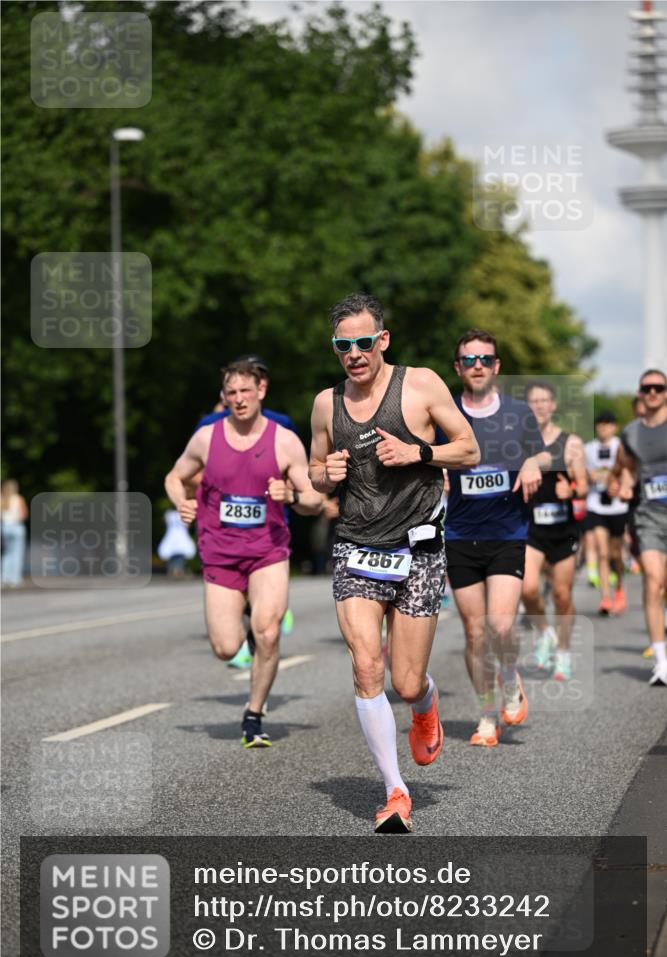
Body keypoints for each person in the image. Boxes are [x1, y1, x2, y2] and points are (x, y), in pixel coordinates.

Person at [309, 293, 479, 833]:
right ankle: (395, 791)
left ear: (382, 340)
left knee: (405, 682)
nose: (354, 354)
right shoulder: (325, 404)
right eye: (343, 345)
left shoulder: (422, 384)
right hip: (357, 544)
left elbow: (469, 450)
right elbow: (314, 472)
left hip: (419, 547)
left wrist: (418, 453)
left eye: (364, 342)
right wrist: (325, 471)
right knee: (366, 666)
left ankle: (424, 703)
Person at [166, 360, 322, 745]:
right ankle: (248, 622)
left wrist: (294, 496)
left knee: (268, 632)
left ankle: (253, 714)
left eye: (245, 392)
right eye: (231, 393)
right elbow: (175, 476)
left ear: (261, 391)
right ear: (224, 397)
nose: (238, 399)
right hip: (220, 552)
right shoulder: (206, 437)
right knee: (225, 648)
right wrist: (181, 503)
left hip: (268, 550)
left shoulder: (284, 440)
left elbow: (315, 500)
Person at [443, 333, 549, 747]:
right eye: (468, 358)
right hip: (460, 533)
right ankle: (487, 715)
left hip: (508, 531)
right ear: (458, 367)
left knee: (501, 627)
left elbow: (541, 452)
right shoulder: (447, 412)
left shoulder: (519, 412)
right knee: (474, 633)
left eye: (485, 358)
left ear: (497, 366)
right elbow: (430, 452)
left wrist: (530, 462)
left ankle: (509, 680)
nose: (477, 364)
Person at [521, 381, 588, 681]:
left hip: (563, 530)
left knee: (562, 595)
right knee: (528, 588)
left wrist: (570, 489)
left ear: (553, 405)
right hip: (531, 528)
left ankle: (562, 651)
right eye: (533, 401)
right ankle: (544, 632)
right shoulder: (519, 442)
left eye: (544, 400)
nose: (539, 406)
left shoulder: (570, 442)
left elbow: (585, 486)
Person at [609, 368, 667, 686]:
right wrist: (625, 486)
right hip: (649, 516)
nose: (653, 393)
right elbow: (628, 471)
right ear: (641, 392)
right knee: (653, 580)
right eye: (647, 388)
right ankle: (662, 661)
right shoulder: (631, 433)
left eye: (659, 387)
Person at [583, 412, 629, 614]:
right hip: (596, 504)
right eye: (600, 424)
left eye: (607, 424)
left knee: (615, 554)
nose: (603, 428)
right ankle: (606, 598)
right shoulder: (588, 449)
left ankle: (619, 587)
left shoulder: (622, 446)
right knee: (602, 551)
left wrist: (619, 484)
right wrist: (588, 475)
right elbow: (581, 472)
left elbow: (629, 472)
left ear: (615, 427)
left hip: (618, 506)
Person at [195, 354, 298, 435]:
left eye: (261, 376)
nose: (257, 380)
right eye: (248, 376)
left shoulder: (283, 423)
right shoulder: (209, 424)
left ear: (265, 383)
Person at [1, 480, 28, 587]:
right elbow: (24, 515)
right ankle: (15, 579)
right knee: (17, 553)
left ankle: (4, 577)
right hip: (16, 527)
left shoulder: (2, 499)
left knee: (6, 554)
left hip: (4, 528)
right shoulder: (18, 499)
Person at [157, 508, 196, 577]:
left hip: (177, 536)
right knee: (176, 555)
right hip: (177, 536)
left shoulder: (169, 514)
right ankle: (176, 570)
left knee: (178, 555)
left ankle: (176, 570)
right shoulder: (177, 513)